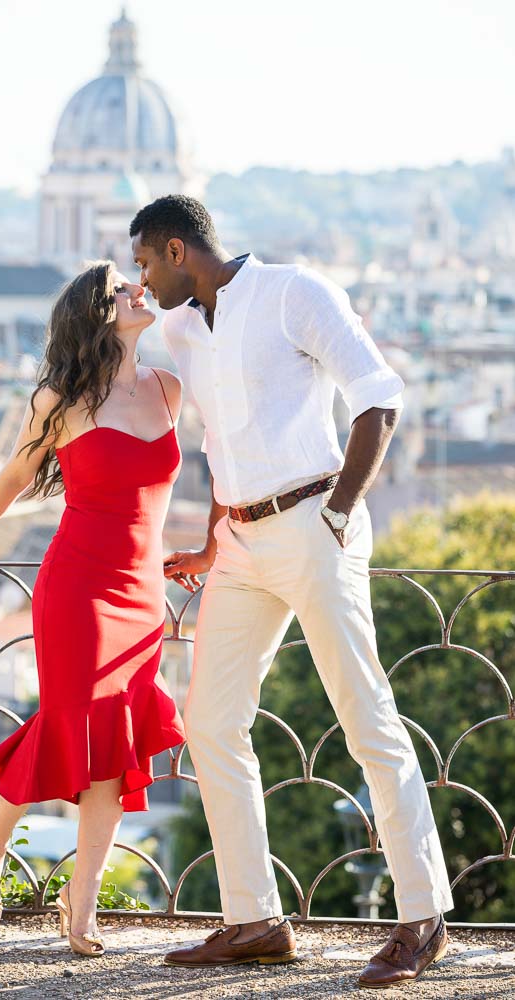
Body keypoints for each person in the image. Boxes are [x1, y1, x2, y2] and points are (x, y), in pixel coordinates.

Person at [129, 196, 454, 987]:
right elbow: (217, 442)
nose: (141, 280)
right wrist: (211, 540)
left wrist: (338, 512)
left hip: (313, 520)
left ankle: (421, 920)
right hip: (238, 542)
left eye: (144, 263)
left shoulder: (293, 291)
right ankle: (255, 920)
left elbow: (380, 395)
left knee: (364, 718)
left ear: (178, 249)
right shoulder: (179, 328)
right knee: (210, 723)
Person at [0, 261, 185, 957]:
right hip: (76, 587)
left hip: (141, 591)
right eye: (121, 290)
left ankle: (83, 906)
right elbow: (12, 475)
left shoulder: (169, 388)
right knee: (72, 725)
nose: (139, 290)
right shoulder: (58, 400)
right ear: (97, 316)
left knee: (113, 749)